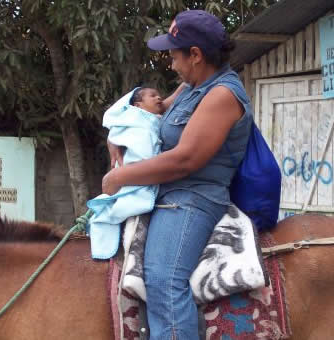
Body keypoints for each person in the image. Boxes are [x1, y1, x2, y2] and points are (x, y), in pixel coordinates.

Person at [102, 9, 253, 339]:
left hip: (192, 199)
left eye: (173, 56)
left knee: (162, 279)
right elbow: (150, 114)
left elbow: (184, 159)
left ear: (195, 55)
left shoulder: (222, 95)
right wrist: (116, 136)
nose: (171, 64)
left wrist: (120, 177)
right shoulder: (192, 87)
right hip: (166, 195)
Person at [87, 86, 183, 259]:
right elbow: (120, 130)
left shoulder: (155, 118)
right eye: (153, 95)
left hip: (152, 172)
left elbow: (169, 101)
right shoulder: (135, 118)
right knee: (132, 208)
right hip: (136, 170)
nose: (158, 98)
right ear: (138, 106)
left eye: (159, 95)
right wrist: (113, 138)